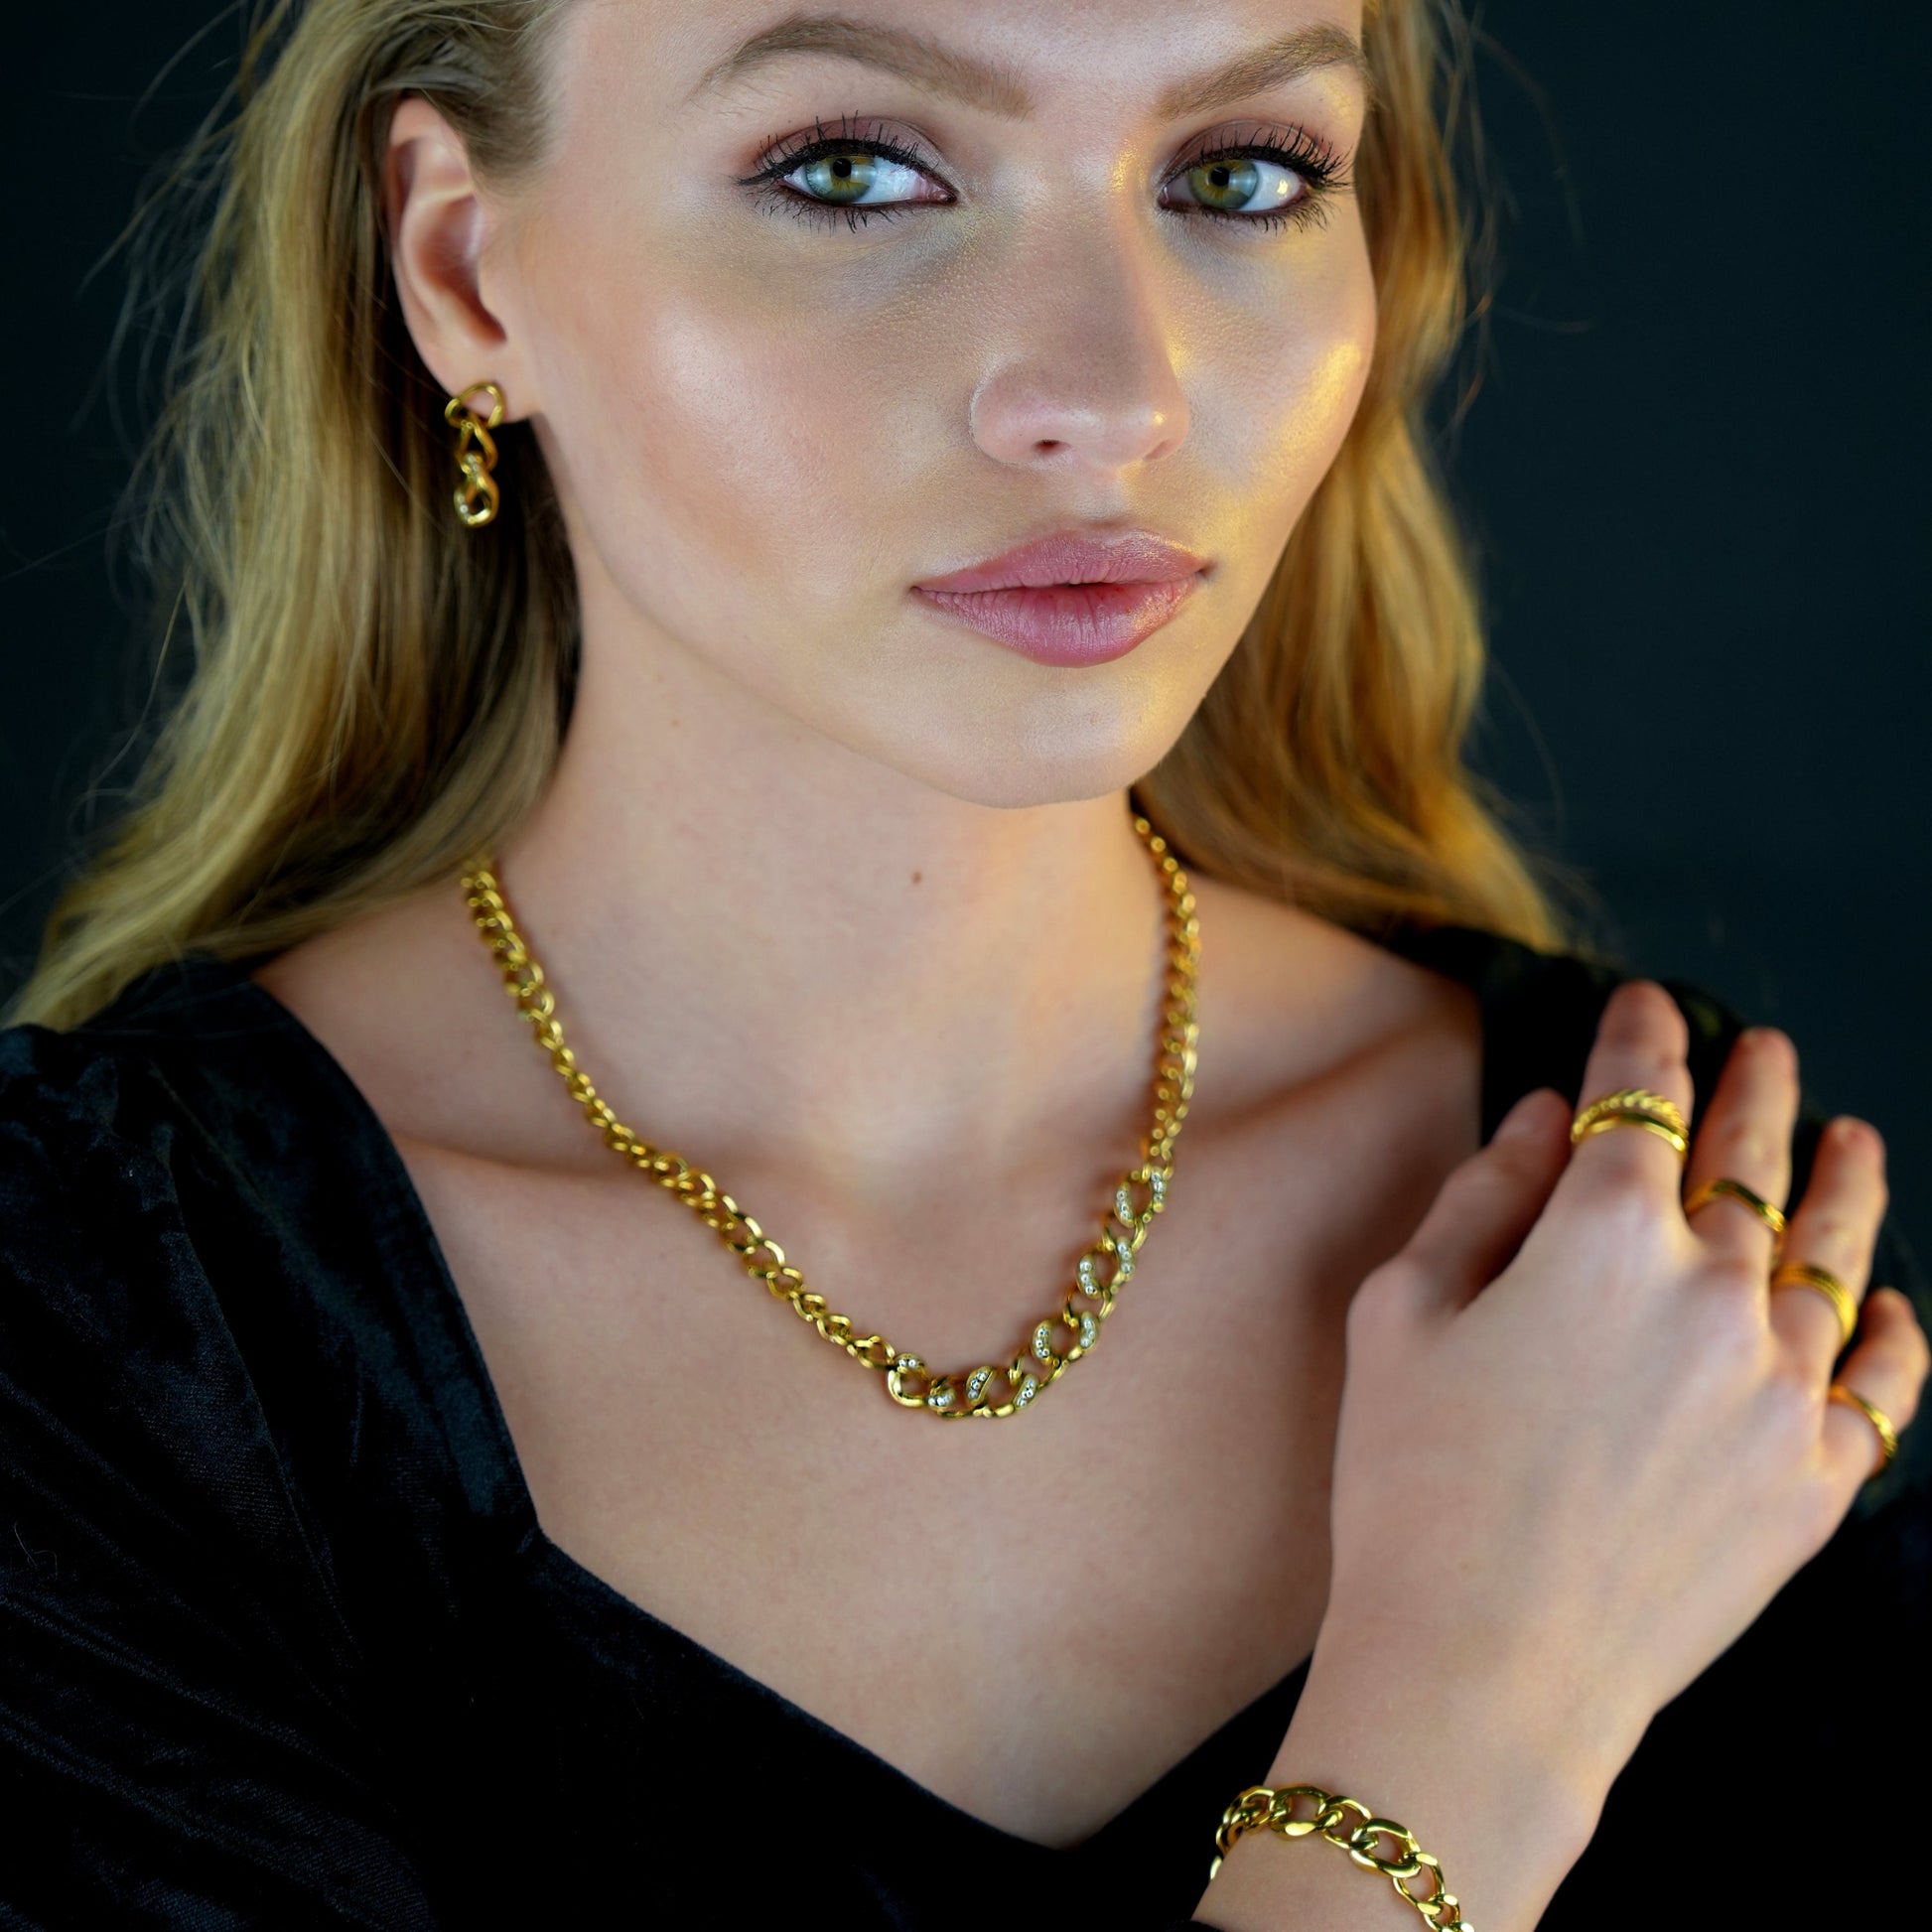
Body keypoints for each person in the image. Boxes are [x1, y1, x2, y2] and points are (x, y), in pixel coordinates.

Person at [2, 0, 1924, 1925]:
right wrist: (1461, 1727)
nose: (1114, 392)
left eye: (1239, 174)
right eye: (852, 172)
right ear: (461, 270)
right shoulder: (102, 1316)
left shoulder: (1647, 1237)